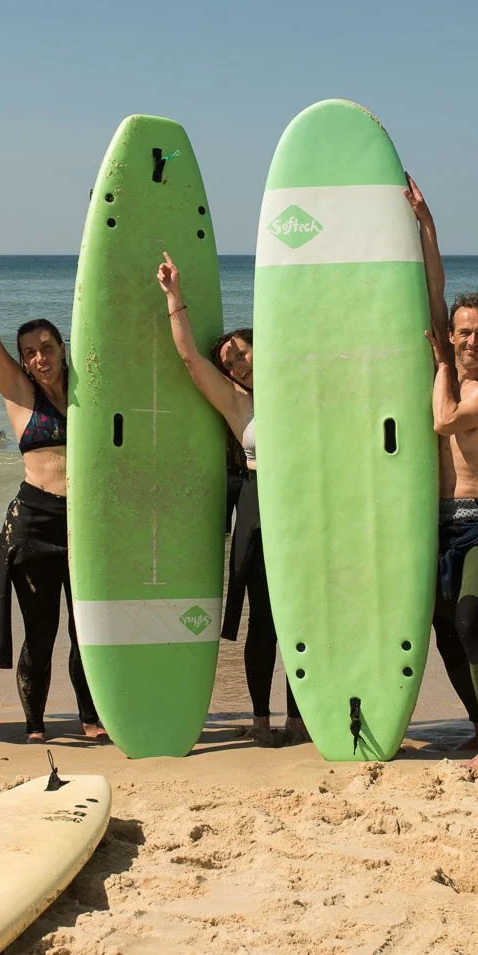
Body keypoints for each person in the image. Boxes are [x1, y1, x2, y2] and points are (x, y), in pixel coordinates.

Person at [0, 214, 105, 743]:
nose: (40, 358)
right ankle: (36, 724)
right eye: (31, 351)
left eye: (48, 348)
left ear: (64, 348)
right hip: (36, 521)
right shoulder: (18, 394)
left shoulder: (92, 392)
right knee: (40, 633)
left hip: (87, 523)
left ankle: (92, 717)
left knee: (88, 631)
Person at [156, 254, 301, 745]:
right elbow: (190, 360)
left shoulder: (300, 389)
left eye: (240, 352)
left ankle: (302, 718)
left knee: (304, 611)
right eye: (230, 363)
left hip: (305, 502)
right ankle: (262, 718)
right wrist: (175, 296)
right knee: (265, 616)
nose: (236, 364)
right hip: (261, 504)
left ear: (261, 344)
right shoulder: (238, 403)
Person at [409, 177, 478, 779]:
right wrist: (425, 223)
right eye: (462, 332)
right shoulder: (451, 359)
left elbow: (446, 421)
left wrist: (438, 366)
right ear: (453, 333)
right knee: (443, 628)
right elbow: (434, 288)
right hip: (439, 521)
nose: (471, 339)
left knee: (471, 613)